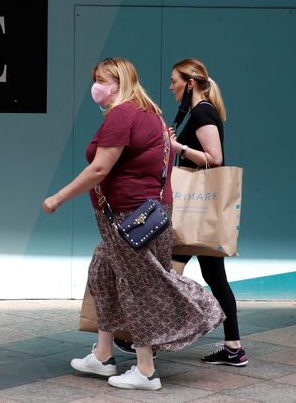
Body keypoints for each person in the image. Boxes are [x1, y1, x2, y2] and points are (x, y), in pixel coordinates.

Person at [43, 57, 224, 390]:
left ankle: (146, 370)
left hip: (129, 217)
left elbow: (99, 169)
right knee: (103, 270)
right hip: (144, 213)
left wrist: (58, 197)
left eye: (102, 80)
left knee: (138, 286)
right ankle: (102, 355)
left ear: (119, 82)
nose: (96, 87)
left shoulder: (123, 115)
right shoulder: (149, 111)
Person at [168, 57, 248, 367]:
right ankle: (233, 347)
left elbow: (215, 158)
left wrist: (179, 149)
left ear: (190, 83)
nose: (171, 86)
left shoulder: (202, 112)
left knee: (169, 274)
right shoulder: (198, 112)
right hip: (198, 215)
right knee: (214, 277)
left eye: (175, 80)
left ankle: (150, 340)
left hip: (194, 212)